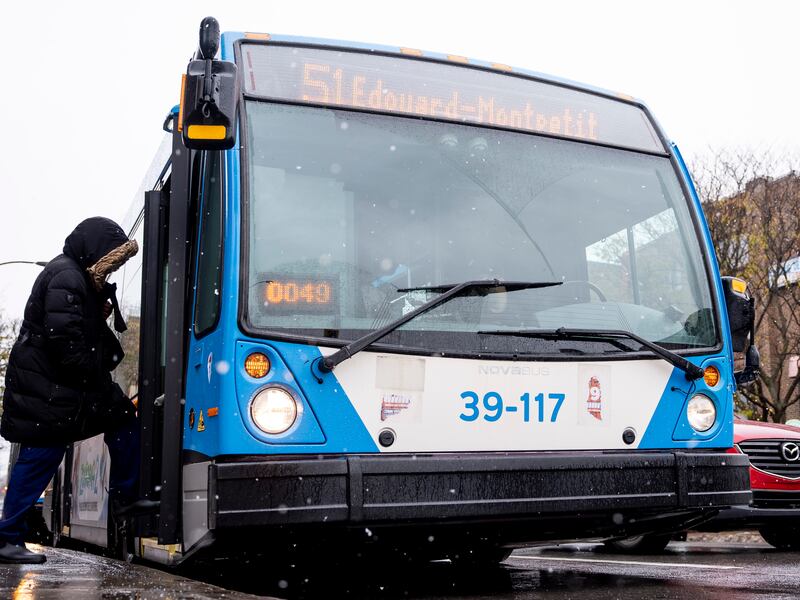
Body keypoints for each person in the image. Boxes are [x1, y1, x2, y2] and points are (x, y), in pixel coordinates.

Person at [0, 217, 144, 564]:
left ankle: (127, 498)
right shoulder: (67, 277)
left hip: (53, 388)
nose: (112, 271)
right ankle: (6, 537)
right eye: (111, 261)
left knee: (118, 420)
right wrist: (96, 376)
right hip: (50, 391)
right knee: (41, 455)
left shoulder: (73, 277)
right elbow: (66, 342)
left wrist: (96, 308)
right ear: (96, 252)